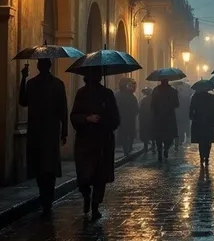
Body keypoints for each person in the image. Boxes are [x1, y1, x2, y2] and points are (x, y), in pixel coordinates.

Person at [19, 59, 68, 218]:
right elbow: (63, 110)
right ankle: (46, 199)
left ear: (41, 66)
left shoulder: (36, 83)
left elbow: (22, 101)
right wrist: (24, 79)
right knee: (45, 167)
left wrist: (23, 79)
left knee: (44, 166)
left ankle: (46, 199)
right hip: (45, 130)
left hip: (44, 130)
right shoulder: (46, 84)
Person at [70, 67, 120, 220]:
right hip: (85, 141)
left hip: (103, 142)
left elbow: (115, 120)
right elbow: (74, 116)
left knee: (100, 176)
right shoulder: (81, 93)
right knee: (83, 175)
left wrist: (103, 120)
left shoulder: (107, 94)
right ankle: (86, 195)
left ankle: (95, 206)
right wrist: (87, 118)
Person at [189, 88, 214, 167]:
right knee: (208, 141)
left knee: (201, 141)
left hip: (198, 122)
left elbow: (191, 109)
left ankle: (201, 157)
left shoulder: (195, 97)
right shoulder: (211, 97)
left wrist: (192, 117)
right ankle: (207, 157)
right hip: (209, 122)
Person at [151, 79, 179, 162]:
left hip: (158, 117)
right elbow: (177, 104)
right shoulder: (173, 91)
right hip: (169, 117)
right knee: (169, 136)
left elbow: (152, 105)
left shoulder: (155, 90)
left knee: (158, 136)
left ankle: (160, 151)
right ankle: (166, 149)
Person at [115, 77, 138, 156]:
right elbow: (136, 109)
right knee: (129, 134)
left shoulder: (117, 95)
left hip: (122, 118)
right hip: (129, 119)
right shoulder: (131, 96)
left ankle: (126, 150)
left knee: (124, 134)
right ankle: (127, 149)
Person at [175, 83, 191, 150]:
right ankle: (179, 141)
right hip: (182, 116)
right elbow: (188, 107)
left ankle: (177, 142)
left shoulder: (175, 97)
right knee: (181, 130)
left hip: (177, 116)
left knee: (178, 130)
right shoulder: (186, 97)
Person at [139, 88, 155, 154]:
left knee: (146, 134)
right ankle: (153, 148)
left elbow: (141, 111)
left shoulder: (144, 100)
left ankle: (145, 148)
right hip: (152, 120)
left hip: (146, 120)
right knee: (153, 134)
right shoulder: (155, 100)